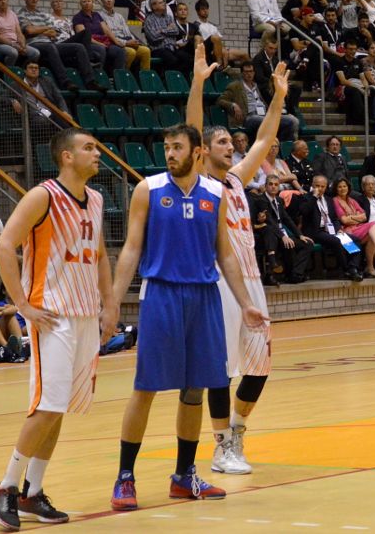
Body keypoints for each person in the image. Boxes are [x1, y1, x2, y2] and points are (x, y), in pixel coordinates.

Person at [109, 124, 269, 511]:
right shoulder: (148, 189)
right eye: (167, 148)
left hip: (204, 295)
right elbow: (130, 249)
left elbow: (226, 254)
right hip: (161, 293)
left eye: (177, 147)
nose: (170, 154)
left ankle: (184, 475)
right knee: (145, 387)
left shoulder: (216, 193)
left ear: (196, 152)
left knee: (195, 389)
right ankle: (125, 477)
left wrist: (245, 300)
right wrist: (113, 302)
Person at [0, 128, 117, 530]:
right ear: (66, 156)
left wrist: (109, 303)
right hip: (52, 316)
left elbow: (98, 256)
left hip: (84, 316)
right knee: (45, 406)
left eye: (96, 147)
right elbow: (4, 246)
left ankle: (32, 491)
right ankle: (6, 487)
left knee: (59, 407)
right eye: (88, 148)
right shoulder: (42, 196)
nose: (97, 153)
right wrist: (23, 305)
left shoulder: (95, 199)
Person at [186, 43, 287, 475]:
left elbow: (265, 138)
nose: (233, 146)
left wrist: (279, 97)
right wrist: (197, 83)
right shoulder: (197, 182)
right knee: (221, 369)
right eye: (224, 142)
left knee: (260, 366)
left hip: (251, 282)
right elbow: (192, 127)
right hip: (219, 284)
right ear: (204, 151)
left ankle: (238, 435)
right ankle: (221, 445)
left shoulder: (236, 180)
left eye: (232, 142)